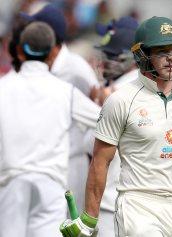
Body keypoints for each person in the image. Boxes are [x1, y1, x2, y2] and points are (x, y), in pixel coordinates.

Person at [60, 16, 172, 237]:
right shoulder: (121, 100)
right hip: (138, 207)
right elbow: (100, 161)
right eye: (161, 51)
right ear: (142, 55)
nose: (171, 59)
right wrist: (89, 218)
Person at [0, 22, 99, 237]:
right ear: (51, 54)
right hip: (50, 182)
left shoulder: (3, 87)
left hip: (11, 181)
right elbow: (104, 120)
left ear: (20, 51)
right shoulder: (65, 91)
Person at [20, 4, 100, 212]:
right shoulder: (40, 67)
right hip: (45, 162)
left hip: (72, 163)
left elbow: (100, 113)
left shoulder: (75, 68)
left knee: (69, 224)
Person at [92, 16, 139, 237]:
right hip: (136, 205)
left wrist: (94, 107)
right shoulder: (141, 88)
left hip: (113, 202)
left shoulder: (117, 95)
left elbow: (90, 146)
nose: (103, 63)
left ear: (130, 59)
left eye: (111, 56)